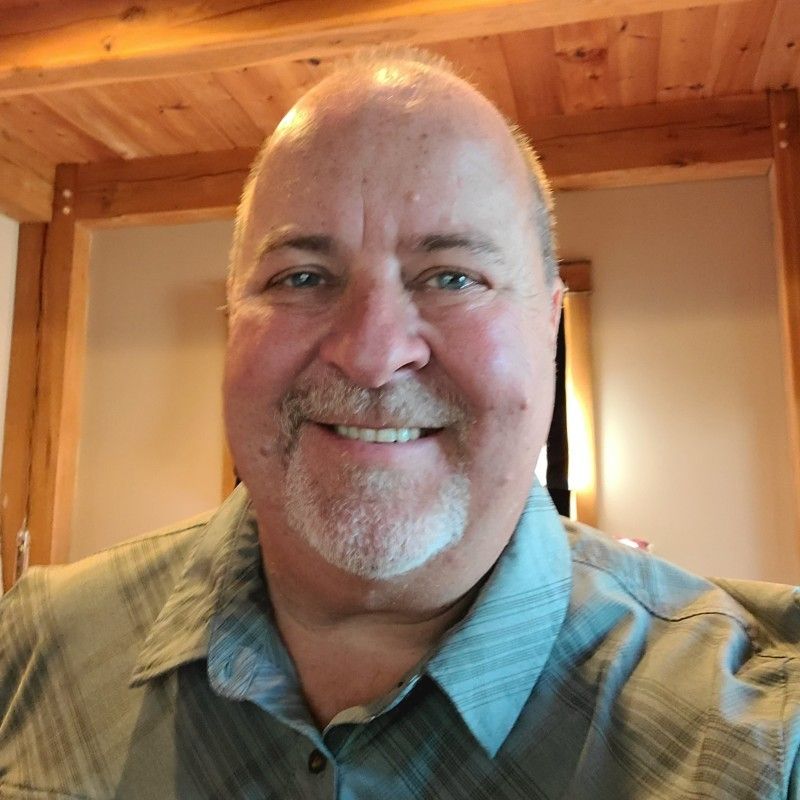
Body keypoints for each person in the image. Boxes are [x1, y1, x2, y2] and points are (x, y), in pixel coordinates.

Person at [1, 48, 799, 800]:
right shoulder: (35, 647)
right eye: (301, 277)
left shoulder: (763, 737)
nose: (372, 354)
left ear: (549, 327)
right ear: (234, 317)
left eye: (452, 277)